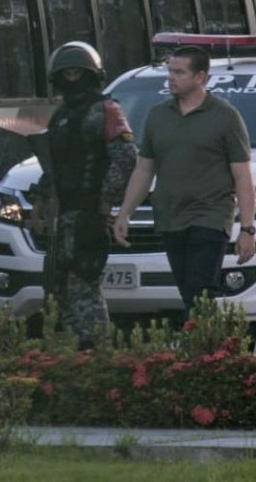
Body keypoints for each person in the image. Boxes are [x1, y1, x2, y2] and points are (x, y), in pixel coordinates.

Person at [113, 45, 256, 322]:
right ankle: (202, 349)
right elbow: (144, 170)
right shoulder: (158, 115)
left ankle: (204, 354)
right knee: (188, 291)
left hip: (210, 215)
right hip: (170, 216)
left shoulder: (224, 116)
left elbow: (242, 175)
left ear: (200, 77)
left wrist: (248, 228)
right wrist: (125, 212)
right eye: (170, 71)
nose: (171, 78)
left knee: (200, 287)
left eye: (179, 72)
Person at [28, 42, 137, 348]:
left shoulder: (107, 110)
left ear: (92, 75)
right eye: (67, 73)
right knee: (60, 289)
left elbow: (126, 157)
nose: (72, 79)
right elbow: (53, 167)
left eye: (78, 72)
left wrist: (106, 200)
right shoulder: (61, 116)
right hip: (62, 218)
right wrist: (40, 202)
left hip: (88, 216)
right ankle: (73, 357)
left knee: (83, 288)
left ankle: (97, 356)